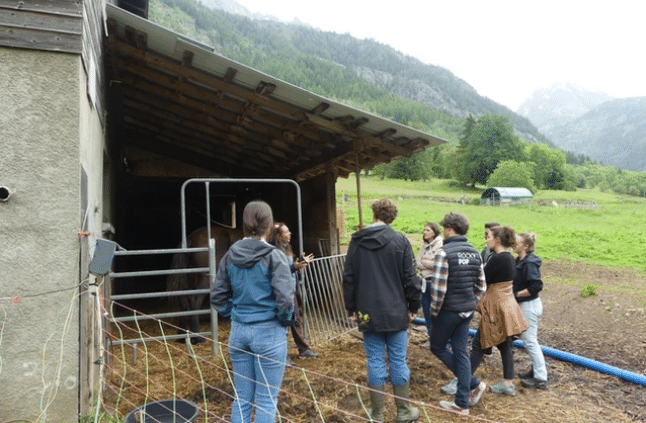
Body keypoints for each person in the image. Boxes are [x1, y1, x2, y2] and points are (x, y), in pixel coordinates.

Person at [211, 201, 295, 423]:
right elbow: (286, 301)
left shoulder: (230, 255)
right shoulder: (274, 256)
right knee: (267, 399)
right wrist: (284, 321)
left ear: (245, 225)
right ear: (269, 226)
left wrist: (234, 313)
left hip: (239, 332)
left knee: (242, 398)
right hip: (269, 331)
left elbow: (217, 296)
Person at [343, 198, 422, 423]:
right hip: (396, 311)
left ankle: (376, 414)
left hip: (368, 311)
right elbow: (411, 278)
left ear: (374, 214)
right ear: (392, 218)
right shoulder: (400, 240)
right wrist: (413, 307)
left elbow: (349, 277)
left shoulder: (357, 241)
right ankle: (403, 412)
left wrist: (352, 307)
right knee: (398, 360)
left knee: (375, 361)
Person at [428, 212, 487, 416]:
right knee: (461, 352)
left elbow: (438, 290)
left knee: (437, 346)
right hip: (466, 311)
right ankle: (463, 401)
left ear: (450, 229)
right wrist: (471, 302)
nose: (443, 230)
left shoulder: (444, 253)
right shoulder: (474, 252)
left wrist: (434, 311)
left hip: (449, 311)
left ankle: (472, 384)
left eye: (445, 227)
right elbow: (481, 286)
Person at [470, 226, 528, 398]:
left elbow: (481, 279)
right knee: (505, 344)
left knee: (478, 344)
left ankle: (463, 381)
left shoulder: (498, 259)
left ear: (497, 240)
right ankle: (508, 384)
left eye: (489, 237)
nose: (486, 240)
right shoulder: (510, 258)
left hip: (495, 307)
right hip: (506, 305)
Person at [268, 222, 319, 364]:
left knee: (296, 319)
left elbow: (288, 269)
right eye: (286, 232)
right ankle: (282, 356)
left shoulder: (286, 249)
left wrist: (299, 264)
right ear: (278, 237)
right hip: (279, 293)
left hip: (290, 290)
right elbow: (277, 273)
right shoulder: (273, 252)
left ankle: (304, 349)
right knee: (281, 325)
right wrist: (293, 267)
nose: (289, 234)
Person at [513, 232, 548, 390]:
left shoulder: (529, 263)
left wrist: (516, 295)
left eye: (516, 242)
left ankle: (541, 378)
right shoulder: (520, 260)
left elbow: (536, 286)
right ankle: (535, 371)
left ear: (526, 246)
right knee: (529, 340)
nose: (513, 243)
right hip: (525, 305)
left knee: (530, 341)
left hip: (529, 306)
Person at [415, 222, 443, 349]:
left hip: (435, 283)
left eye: (427, 230)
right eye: (424, 229)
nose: (424, 232)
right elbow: (417, 262)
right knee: (426, 311)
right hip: (424, 282)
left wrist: (424, 262)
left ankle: (442, 340)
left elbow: (437, 264)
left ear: (434, 232)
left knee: (438, 312)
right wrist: (428, 262)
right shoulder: (423, 246)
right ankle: (431, 338)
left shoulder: (440, 245)